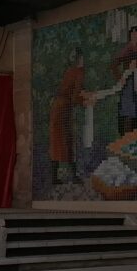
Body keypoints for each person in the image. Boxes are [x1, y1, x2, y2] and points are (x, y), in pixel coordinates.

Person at [48, 47, 93, 184]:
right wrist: (85, 102)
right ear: (81, 59)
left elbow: (71, 90)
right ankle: (73, 176)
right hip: (63, 110)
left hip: (57, 108)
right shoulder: (79, 72)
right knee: (67, 142)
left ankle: (56, 177)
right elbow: (74, 96)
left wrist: (83, 96)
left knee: (57, 142)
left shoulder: (69, 71)